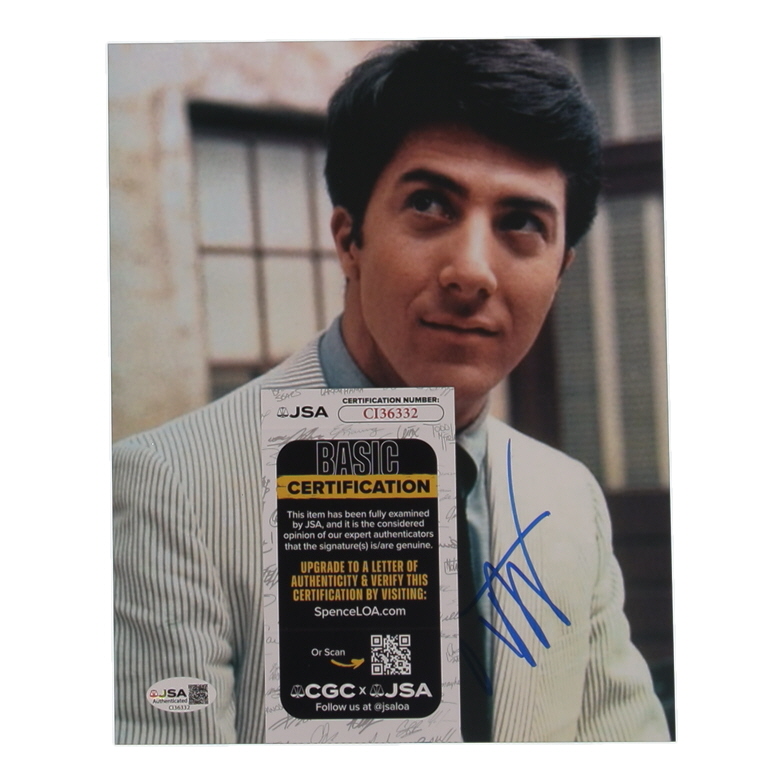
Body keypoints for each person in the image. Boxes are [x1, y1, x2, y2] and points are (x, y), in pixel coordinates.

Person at [114, 39, 670, 743]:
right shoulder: (173, 488)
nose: (472, 272)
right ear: (350, 238)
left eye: (521, 223)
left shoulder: (566, 496)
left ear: (560, 270)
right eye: (431, 204)